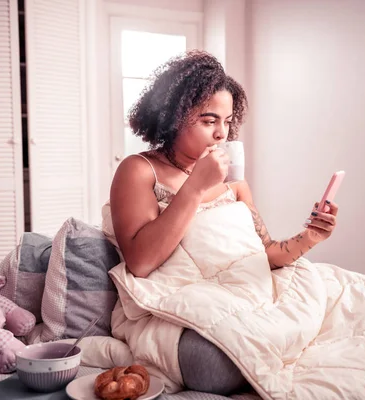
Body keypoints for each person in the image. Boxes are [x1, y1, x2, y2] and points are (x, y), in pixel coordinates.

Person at [108, 50, 339, 395]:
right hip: (183, 308)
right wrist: (195, 188)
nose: (221, 134)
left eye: (228, 121)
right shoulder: (139, 170)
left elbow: (269, 254)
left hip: (244, 295)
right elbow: (140, 263)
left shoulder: (235, 183)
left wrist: (311, 236)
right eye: (208, 120)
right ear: (172, 117)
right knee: (216, 365)